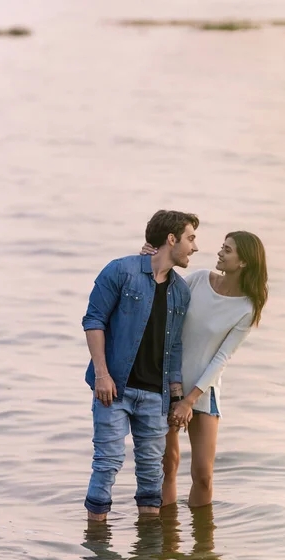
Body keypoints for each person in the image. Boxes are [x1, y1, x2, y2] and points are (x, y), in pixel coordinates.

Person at [82, 210, 199, 521]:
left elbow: (174, 348)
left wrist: (175, 397)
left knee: (151, 475)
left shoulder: (181, 291)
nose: (195, 247)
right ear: (171, 239)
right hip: (114, 388)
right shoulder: (121, 271)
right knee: (107, 463)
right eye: (190, 238)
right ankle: (95, 552)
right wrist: (102, 375)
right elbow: (93, 321)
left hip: (155, 396)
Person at [142, 231, 268, 507]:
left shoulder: (247, 308)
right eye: (222, 247)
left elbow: (221, 358)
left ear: (244, 262)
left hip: (202, 392)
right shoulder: (198, 280)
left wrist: (189, 401)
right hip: (165, 382)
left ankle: (203, 548)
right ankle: (167, 539)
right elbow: (162, 298)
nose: (220, 252)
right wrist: (149, 263)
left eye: (228, 250)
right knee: (168, 465)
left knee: (203, 474)